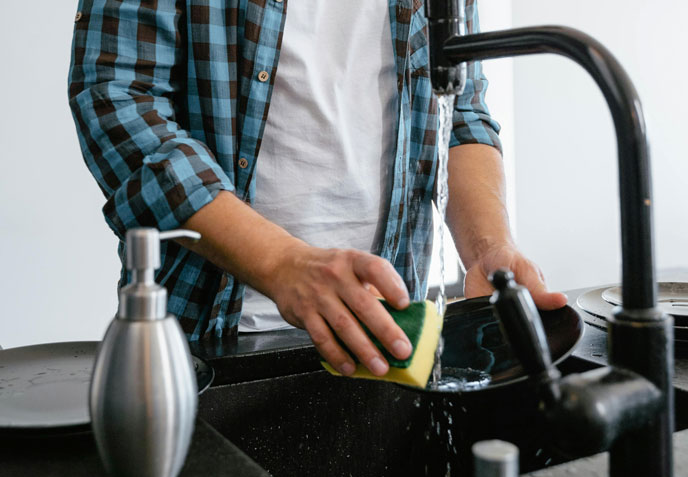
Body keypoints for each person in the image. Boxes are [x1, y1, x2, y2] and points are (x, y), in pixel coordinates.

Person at [69, 0, 566, 379]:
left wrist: (487, 247)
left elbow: (458, 109)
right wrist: (282, 263)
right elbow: (115, 98)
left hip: (391, 334)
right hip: (212, 339)